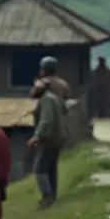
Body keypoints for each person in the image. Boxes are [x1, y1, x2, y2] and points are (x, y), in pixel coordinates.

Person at [28, 75, 66, 208]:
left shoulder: (46, 100)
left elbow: (46, 120)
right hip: (57, 137)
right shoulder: (53, 98)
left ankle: (47, 196)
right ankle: (52, 196)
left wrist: (37, 136)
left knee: (39, 170)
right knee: (51, 169)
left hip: (50, 139)